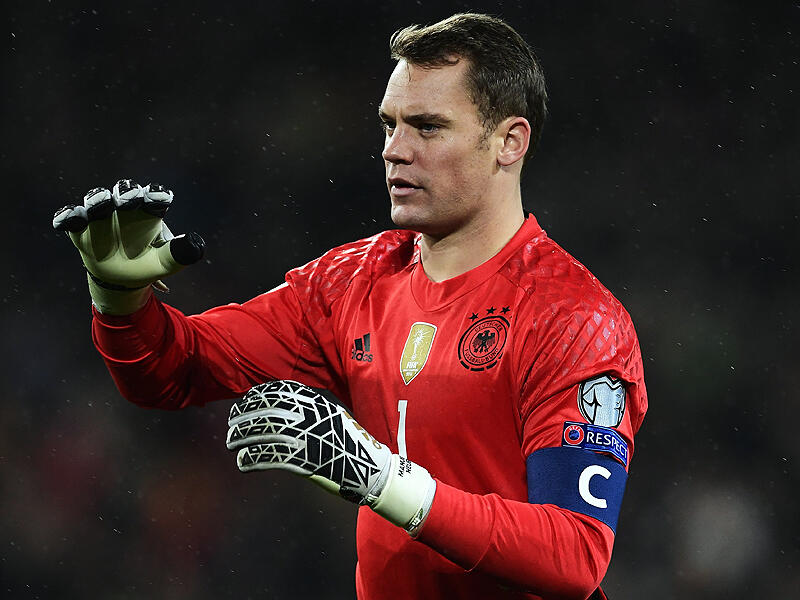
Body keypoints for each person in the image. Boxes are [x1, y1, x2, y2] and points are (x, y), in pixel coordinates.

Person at [53, 13, 647, 600]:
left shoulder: (574, 318)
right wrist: (119, 298)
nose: (395, 150)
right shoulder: (352, 283)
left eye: (428, 127)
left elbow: (574, 555)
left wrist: (385, 481)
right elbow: (172, 370)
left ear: (509, 142)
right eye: (389, 125)